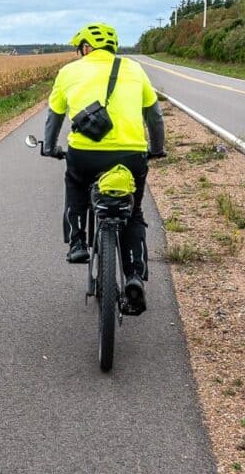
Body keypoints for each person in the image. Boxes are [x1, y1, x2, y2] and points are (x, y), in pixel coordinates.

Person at [42, 22, 165, 313]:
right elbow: (155, 116)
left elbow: (54, 117)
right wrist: (156, 149)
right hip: (131, 155)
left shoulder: (69, 72)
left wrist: (49, 147)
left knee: (76, 184)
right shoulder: (134, 69)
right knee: (133, 212)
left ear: (85, 48)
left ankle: (77, 243)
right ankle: (134, 275)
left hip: (85, 154)